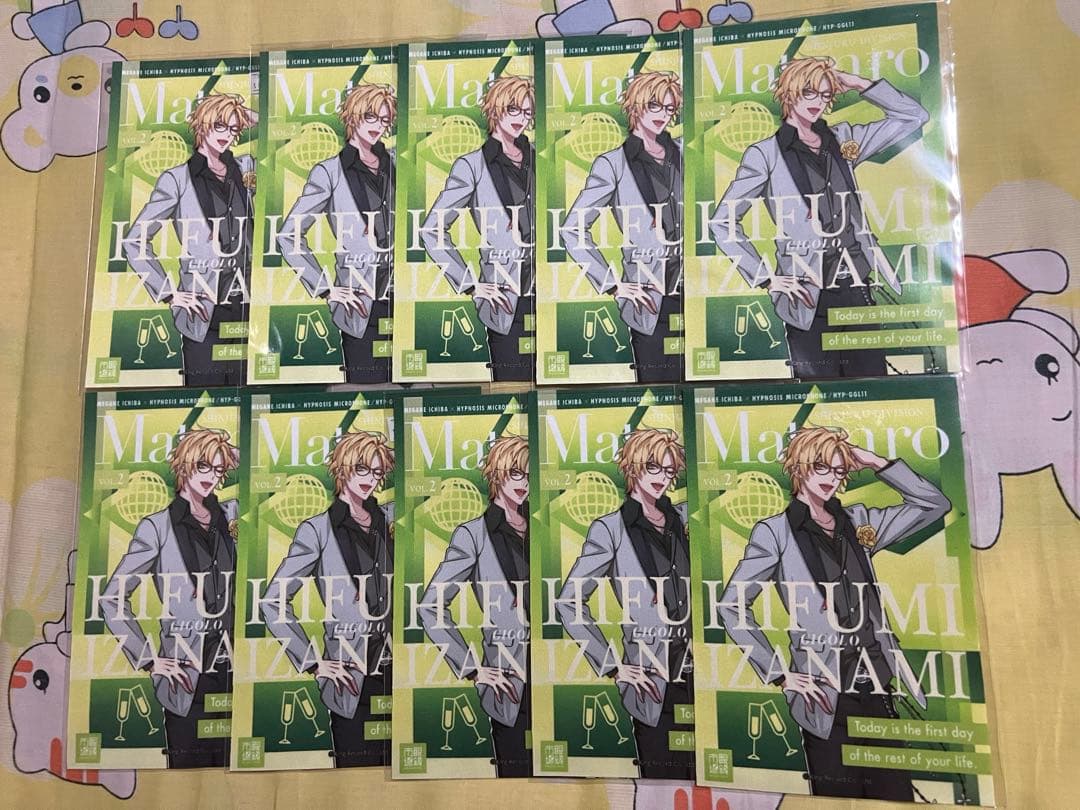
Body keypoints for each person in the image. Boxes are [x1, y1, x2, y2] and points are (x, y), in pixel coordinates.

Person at [718, 426, 951, 799]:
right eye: (822, 467)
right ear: (800, 467)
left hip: (878, 687)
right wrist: (778, 673)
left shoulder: (858, 521)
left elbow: (934, 505)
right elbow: (731, 604)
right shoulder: (775, 533)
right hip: (823, 697)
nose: (832, 478)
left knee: (895, 796)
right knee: (836, 798)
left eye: (840, 470)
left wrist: (876, 462)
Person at [710, 56, 930, 379]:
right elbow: (722, 221)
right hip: (805, 298)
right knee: (818, 392)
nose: (819, 102)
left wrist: (857, 83)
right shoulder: (765, 154)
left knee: (872, 387)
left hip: (856, 288)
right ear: (789, 92)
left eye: (826, 95)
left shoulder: (843, 139)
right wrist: (765, 278)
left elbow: (914, 116)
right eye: (809, 92)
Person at [557, 428, 693, 778]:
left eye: (669, 470)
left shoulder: (682, 519)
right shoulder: (610, 529)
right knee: (662, 780)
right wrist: (612, 665)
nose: (662, 477)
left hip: (698, 676)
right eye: (653, 467)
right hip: (650, 679)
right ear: (632, 467)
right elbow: (569, 600)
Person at [102, 428, 240, 768]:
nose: (211, 476)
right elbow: (112, 597)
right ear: (184, 464)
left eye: (219, 469)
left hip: (234, 673)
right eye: (203, 466)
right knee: (190, 776)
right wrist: (148, 658)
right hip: (184, 678)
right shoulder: (157, 527)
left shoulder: (231, 515)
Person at [261, 431, 395, 767]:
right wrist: (312, 661)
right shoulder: (317, 530)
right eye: (362, 469)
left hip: (399, 672)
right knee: (356, 775)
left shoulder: (389, 520)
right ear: (342, 467)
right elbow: (272, 600)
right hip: (348, 676)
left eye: (377, 472)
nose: (370, 479)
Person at [122, 93, 257, 386]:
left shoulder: (246, 167)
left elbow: (268, 128)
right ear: (202, 124)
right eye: (219, 125)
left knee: (246, 393)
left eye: (234, 129)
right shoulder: (176, 179)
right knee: (206, 395)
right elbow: (134, 241)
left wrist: (238, 111)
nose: (227, 135)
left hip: (250, 308)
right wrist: (168, 292)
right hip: (202, 312)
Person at [418, 434, 532, 776]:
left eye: (530, 475)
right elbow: (430, 606)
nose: (524, 483)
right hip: (506, 679)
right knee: (514, 781)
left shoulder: (542, 527)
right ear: (496, 474)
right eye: (516, 473)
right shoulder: (473, 534)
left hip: (556, 678)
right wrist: (471, 667)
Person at [562, 71, 684, 383]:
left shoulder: (685, 153)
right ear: (635, 105)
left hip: (695, 294)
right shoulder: (612, 164)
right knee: (657, 389)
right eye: (654, 105)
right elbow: (572, 228)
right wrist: (612, 284)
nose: (663, 115)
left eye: (669, 108)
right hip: (648, 298)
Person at [277, 83, 397, 383]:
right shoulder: (329, 172)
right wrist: (325, 288)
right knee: (365, 387)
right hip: (357, 301)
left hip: (403, 299)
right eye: (371, 117)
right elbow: (288, 234)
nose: (378, 126)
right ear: (352, 116)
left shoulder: (396, 165)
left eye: (384, 120)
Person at [420, 75, 535, 381]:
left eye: (527, 112)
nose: (521, 119)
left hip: (548, 297)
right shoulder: (471, 165)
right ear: (495, 109)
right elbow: (432, 229)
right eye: (513, 109)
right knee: (511, 387)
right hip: (503, 300)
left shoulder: (539, 158)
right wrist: (469, 283)